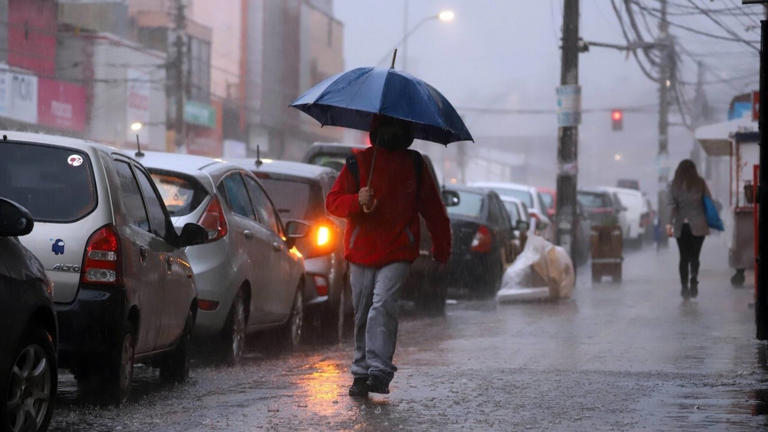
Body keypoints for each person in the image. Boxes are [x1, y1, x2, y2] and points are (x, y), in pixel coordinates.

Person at [326, 115, 451, 397]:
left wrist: (442, 249)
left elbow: (434, 211)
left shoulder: (415, 166)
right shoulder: (357, 163)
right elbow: (332, 202)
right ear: (376, 130)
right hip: (361, 252)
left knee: (382, 305)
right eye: (387, 128)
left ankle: (379, 371)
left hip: (397, 251)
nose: (392, 134)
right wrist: (357, 200)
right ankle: (361, 372)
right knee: (362, 311)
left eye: (398, 128)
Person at [667, 159, 711, 298]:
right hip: (699, 225)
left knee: (683, 257)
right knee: (695, 257)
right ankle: (694, 279)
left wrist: (669, 225)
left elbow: (671, 206)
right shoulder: (700, 183)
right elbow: (708, 201)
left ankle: (684, 287)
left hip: (681, 226)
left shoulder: (674, 184)